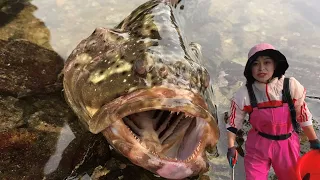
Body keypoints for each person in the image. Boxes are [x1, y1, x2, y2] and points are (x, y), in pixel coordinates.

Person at [225, 43, 320, 180]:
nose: (261, 68)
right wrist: (231, 147)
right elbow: (233, 123)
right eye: (255, 64)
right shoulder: (244, 94)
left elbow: (303, 114)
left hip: (287, 144)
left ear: (275, 65)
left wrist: (313, 140)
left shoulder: (290, 86)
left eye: (267, 62)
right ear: (250, 69)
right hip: (258, 144)